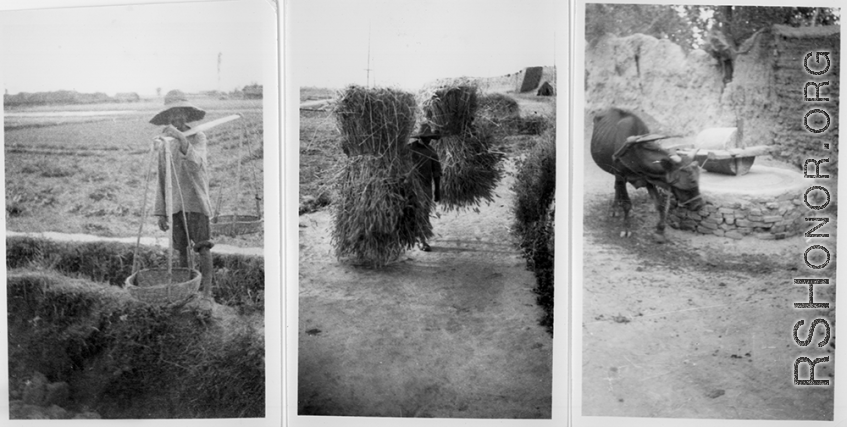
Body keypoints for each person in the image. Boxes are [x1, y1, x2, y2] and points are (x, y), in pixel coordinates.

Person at [151, 89, 214, 306]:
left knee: (203, 247)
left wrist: (180, 138)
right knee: (182, 250)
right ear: (167, 117)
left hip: (195, 200)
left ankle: (207, 293)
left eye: (180, 113)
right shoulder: (163, 143)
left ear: (187, 115)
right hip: (175, 203)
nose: (176, 118)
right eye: (172, 114)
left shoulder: (198, 136)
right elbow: (161, 176)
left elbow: (196, 164)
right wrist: (161, 210)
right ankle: (188, 290)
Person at [409, 123, 442, 252]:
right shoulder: (409, 149)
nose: (428, 139)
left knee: (423, 213)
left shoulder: (432, 152)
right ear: (420, 137)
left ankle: (422, 240)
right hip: (410, 187)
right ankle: (414, 236)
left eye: (429, 137)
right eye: (425, 137)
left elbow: (437, 172)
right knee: (412, 212)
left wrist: (437, 190)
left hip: (426, 187)